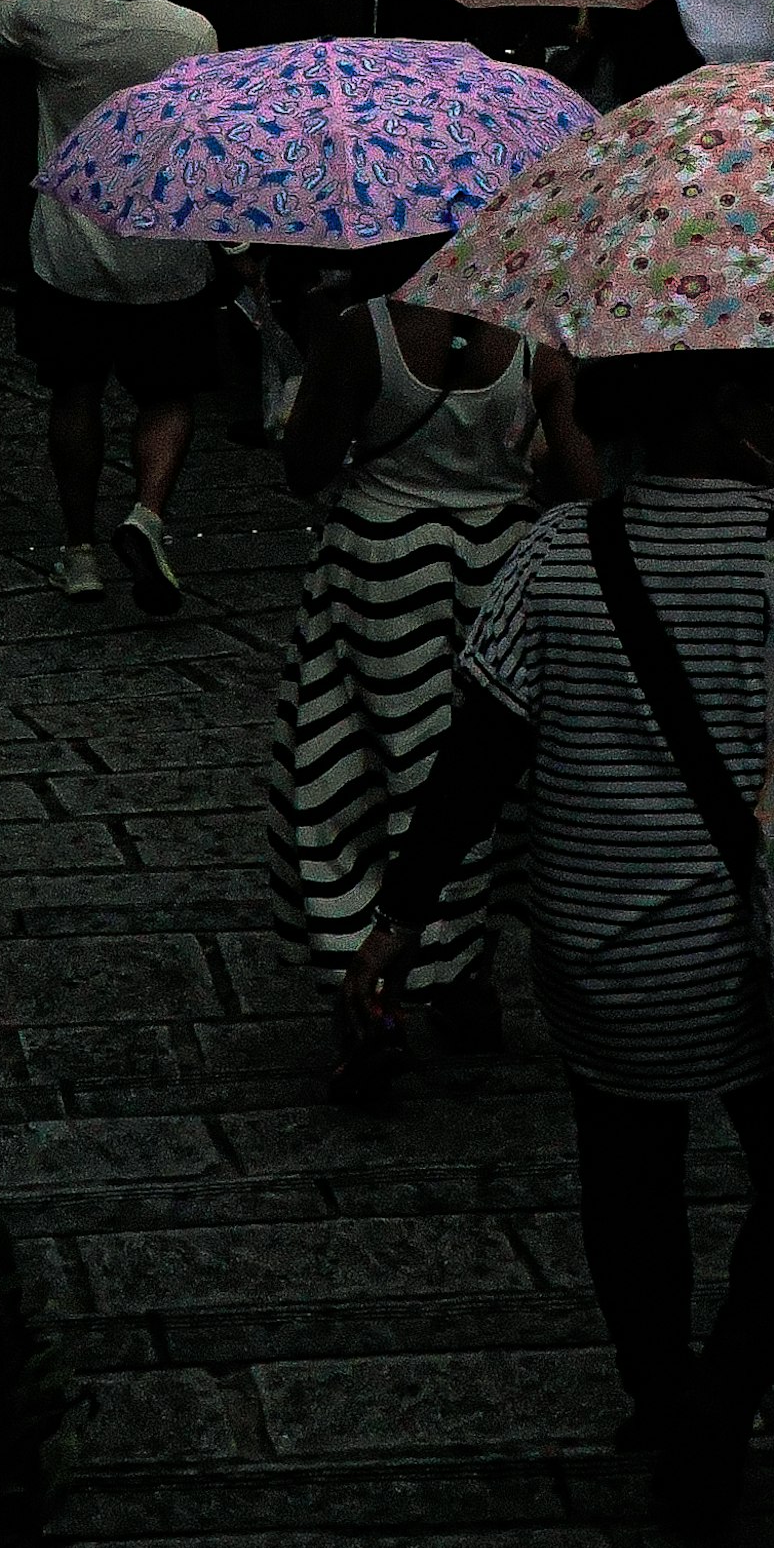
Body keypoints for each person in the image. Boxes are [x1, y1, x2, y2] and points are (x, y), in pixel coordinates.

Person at [351, 349, 774, 1527]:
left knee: (627, 1168)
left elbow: (480, 748)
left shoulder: (558, 551)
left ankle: (659, 1389)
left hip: (605, 953)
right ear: (740, 418)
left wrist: (400, 915)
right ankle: (727, 1389)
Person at [273, 250, 593, 1099]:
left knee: (359, 776)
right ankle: (463, 966)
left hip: (376, 566)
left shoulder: (363, 333)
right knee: (482, 774)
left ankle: (372, 991)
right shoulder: (540, 334)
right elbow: (579, 486)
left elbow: (303, 465)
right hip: (499, 568)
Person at [0, 0, 222, 615]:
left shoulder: (50, 14)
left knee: (74, 390)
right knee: (168, 394)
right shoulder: (190, 32)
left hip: (69, 247)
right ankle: (146, 513)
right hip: (166, 250)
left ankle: (77, 553)